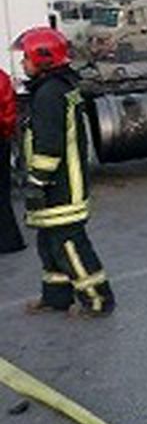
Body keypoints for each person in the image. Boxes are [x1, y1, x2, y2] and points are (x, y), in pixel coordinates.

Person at [14, 27, 115, 316]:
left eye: (26, 58)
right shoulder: (58, 87)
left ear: (43, 59)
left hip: (60, 186)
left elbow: (49, 145)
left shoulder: (49, 94)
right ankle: (56, 297)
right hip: (63, 182)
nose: (22, 63)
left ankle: (98, 300)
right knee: (49, 244)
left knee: (69, 244)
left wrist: (36, 181)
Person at [0, 65, 24, 253]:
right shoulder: (2, 77)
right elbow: (9, 112)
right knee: (3, 192)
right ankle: (10, 240)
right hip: (1, 139)